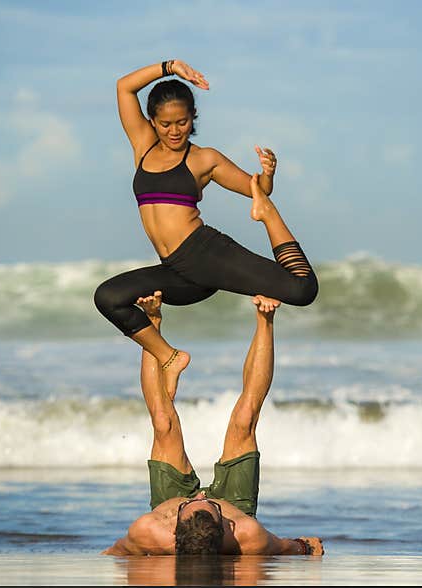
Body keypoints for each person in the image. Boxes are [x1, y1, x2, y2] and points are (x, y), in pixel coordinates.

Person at [93, 59, 319, 400]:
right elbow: (124, 86)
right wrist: (170, 67)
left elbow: (257, 187)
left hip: (206, 254)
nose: (174, 131)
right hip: (181, 275)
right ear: (152, 121)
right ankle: (170, 357)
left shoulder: (203, 159)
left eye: (182, 122)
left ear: (193, 119)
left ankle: (269, 218)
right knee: (108, 298)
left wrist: (268, 176)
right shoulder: (143, 145)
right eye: (166, 123)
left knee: (303, 290)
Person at [101, 292, 323, 556]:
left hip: (169, 504)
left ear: (173, 527)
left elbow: (114, 553)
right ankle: (266, 318)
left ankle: (152, 321)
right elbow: (288, 546)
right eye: (210, 505)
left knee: (162, 423)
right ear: (225, 524)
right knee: (245, 418)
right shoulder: (247, 535)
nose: (200, 497)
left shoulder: (149, 531)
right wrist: (305, 547)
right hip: (235, 504)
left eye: (192, 503)